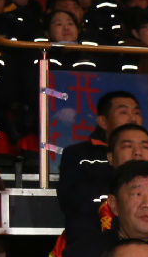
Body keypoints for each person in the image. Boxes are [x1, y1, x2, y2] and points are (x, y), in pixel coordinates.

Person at [56, 88, 142, 223]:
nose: (133, 119)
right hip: (92, 230)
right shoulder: (78, 154)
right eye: (123, 112)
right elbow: (72, 203)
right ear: (103, 121)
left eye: (137, 113)